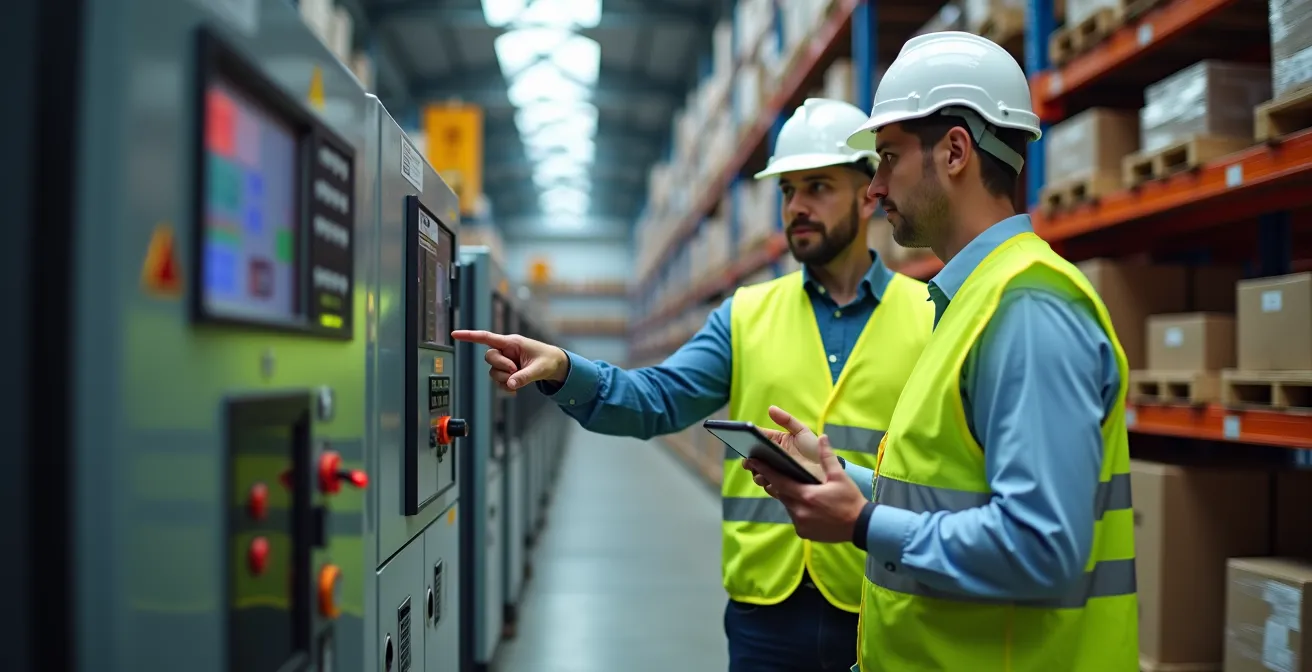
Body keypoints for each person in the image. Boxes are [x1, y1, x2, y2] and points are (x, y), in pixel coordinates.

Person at [452, 97, 935, 672]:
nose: (796, 207)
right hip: (766, 609)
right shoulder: (745, 314)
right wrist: (564, 368)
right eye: (786, 192)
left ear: (868, 192)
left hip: (883, 593)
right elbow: (655, 399)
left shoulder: (930, 313)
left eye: (817, 188)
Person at [744, 32, 1139, 672]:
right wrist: (843, 480)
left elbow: (1042, 546)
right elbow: (952, 491)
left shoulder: (1027, 310)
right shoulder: (967, 301)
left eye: (889, 157)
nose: (875, 188)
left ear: (955, 151)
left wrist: (864, 524)